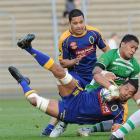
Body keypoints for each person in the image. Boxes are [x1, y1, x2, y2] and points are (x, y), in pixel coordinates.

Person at [8, 47, 138, 138]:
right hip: (77, 95)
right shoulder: (110, 85)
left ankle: (22, 81)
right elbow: (97, 74)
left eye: (130, 93)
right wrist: (109, 81)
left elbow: (117, 131)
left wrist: (119, 133)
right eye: (126, 88)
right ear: (121, 87)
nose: (127, 92)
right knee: (59, 71)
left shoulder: (119, 112)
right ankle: (29, 48)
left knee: (33, 101)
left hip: (69, 112)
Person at [43, 8, 110, 137]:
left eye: (81, 22)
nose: (79, 25)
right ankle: (59, 124)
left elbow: (107, 51)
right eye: (75, 23)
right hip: (77, 75)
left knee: (103, 101)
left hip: (94, 75)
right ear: (69, 23)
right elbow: (63, 63)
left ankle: (97, 125)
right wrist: (74, 61)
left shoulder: (94, 33)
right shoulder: (65, 39)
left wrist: (107, 67)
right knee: (69, 100)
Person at [77, 34, 140, 136]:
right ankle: (61, 122)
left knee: (121, 121)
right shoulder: (111, 55)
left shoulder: (135, 66)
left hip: (116, 96)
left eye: (136, 49)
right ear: (122, 44)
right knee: (76, 110)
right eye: (131, 47)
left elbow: (134, 87)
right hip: (95, 91)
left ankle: (89, 129)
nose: (133, 50)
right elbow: (96, 70)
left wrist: (138, 101)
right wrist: (105, 73)